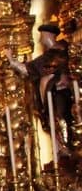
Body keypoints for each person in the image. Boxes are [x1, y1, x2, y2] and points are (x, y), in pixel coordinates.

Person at [5, 22, 76, 151]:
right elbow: (31, 70)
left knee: (62, 122)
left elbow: (28, 69)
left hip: (60, 94)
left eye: (42, 36)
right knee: (55, 123)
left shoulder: (59, 52)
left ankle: (67, 149)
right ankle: (63, 151)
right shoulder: (52, 54)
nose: (40, 39)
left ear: (48, 35)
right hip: (51, 98)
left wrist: (12, 61)